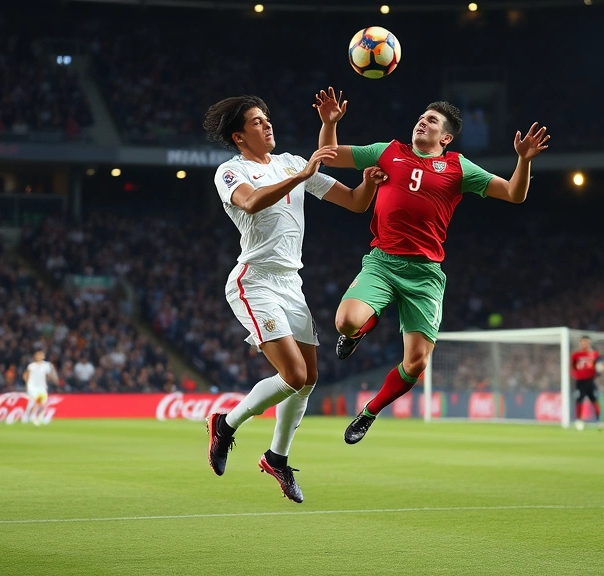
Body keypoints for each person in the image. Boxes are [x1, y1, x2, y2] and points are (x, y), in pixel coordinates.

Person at [312, 87, 550, 444]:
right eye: (421, 118)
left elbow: (515, 194)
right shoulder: (388, 151)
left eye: (432, 121)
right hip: (382, 262)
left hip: (424, 274)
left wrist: (524, 160)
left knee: (417, 363)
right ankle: (356, 332)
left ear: (446, 137)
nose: (422, 122)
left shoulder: (458, 167)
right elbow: (329, 157)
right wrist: (330, 123)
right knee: (345, 320)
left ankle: (369, 412)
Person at [203, 95, 386, 502]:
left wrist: (370, 183)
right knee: (295, 375)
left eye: (267, 118)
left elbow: (355, 203)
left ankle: (276, 458)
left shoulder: (291, 162)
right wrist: (302, 175)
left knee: (309, 379)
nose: (267, 125)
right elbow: (251, 202)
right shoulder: (232, 171)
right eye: (256, 122)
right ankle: (225, 424)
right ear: (239, 136)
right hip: (255, 282)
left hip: (291, 284)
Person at [571, 336, 604, 430]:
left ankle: (598, 421)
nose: (584, 344)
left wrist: (600, 370)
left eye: (586, 342)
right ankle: (579, 421)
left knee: (595, 401)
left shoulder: (595, 355)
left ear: (589, 343)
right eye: (582, 342)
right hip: (580, 382)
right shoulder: (576, 355)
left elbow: (602, 366)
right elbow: (572, 368)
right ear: (580, 343)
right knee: (579, 401)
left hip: (590, 381)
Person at [23, 350, 57, 426]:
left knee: (42, 405)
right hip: (32, 387)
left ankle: (35, 417)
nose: (39, 356)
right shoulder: (31, 366)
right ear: (35, 357)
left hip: (42, 387)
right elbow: (26, 375)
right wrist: (27, 384)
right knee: (36, 402)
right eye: (38, 355)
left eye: (41, 355)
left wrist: (53, 379)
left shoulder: (46, 365)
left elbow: (49, 375)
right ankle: (31, 417)